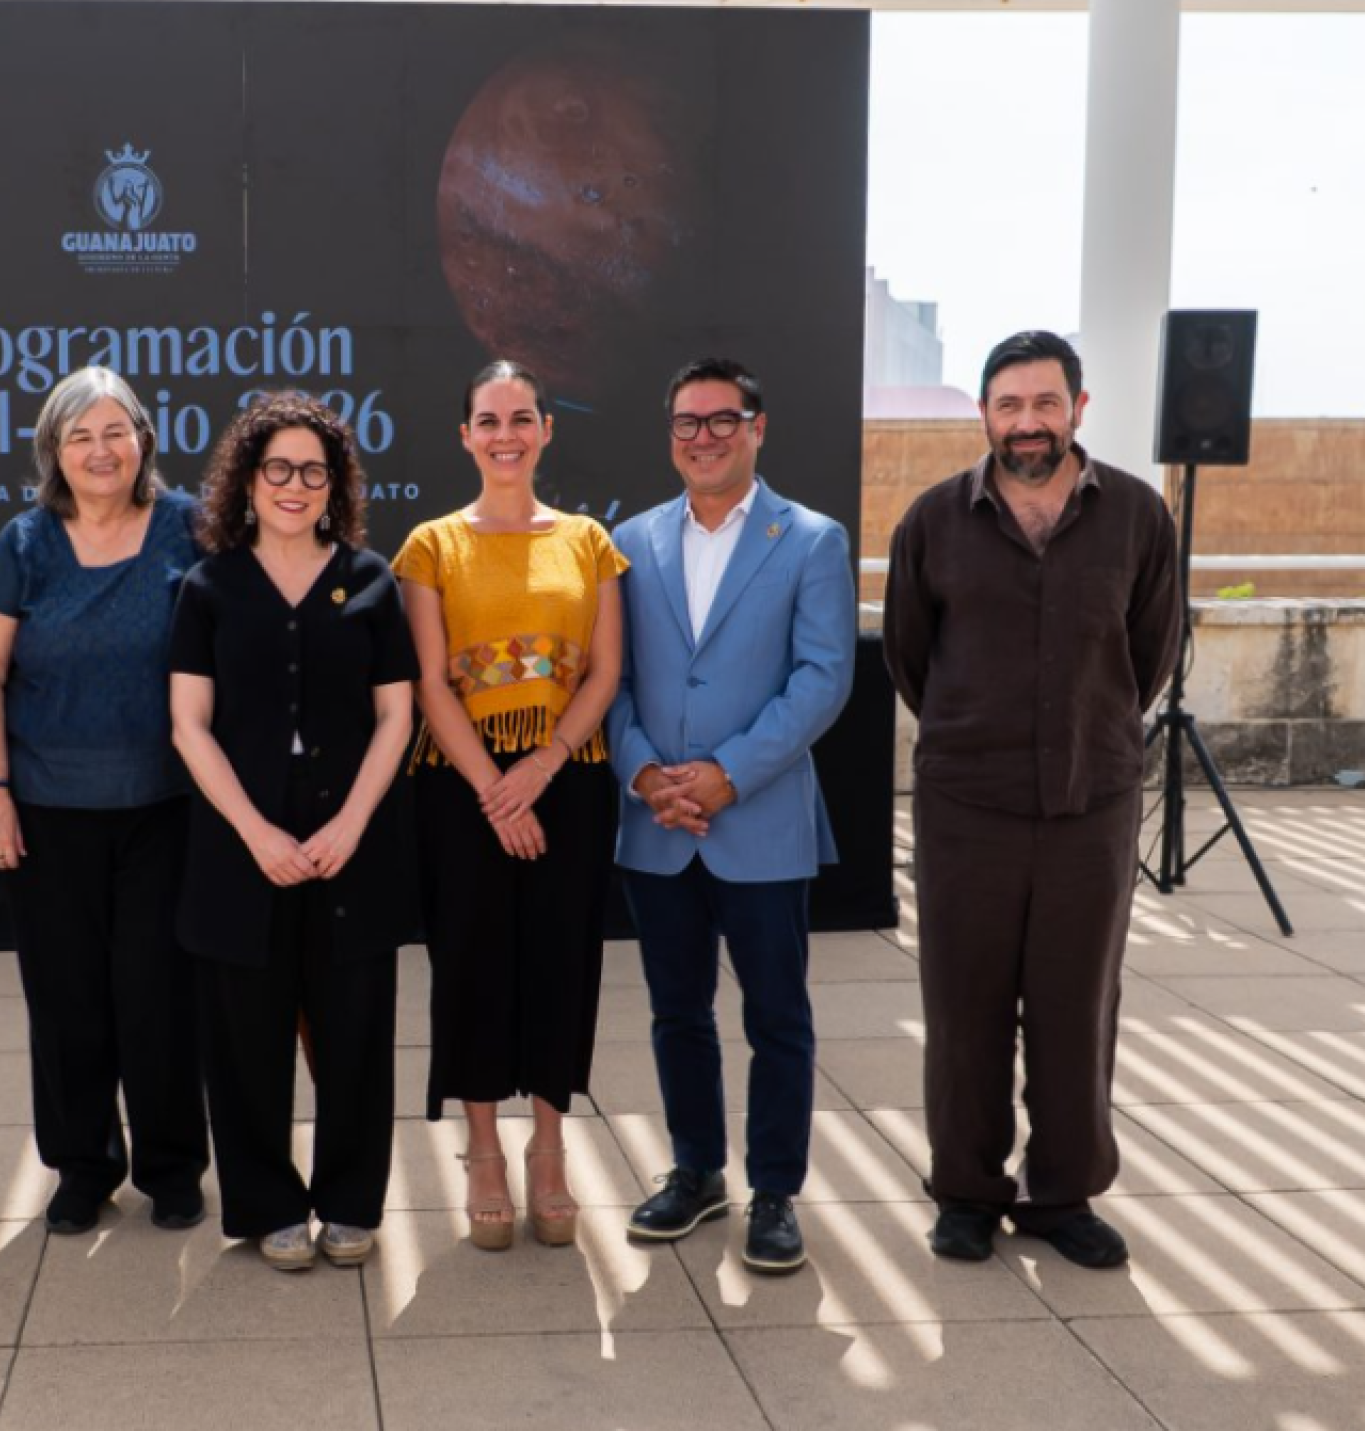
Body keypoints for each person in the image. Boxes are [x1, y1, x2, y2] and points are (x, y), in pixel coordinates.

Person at [883, 329, 1181, 1269]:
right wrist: (981, 737)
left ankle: (1062, 1195)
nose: (1026, 423)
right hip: (968, 804)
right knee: (965, 1006)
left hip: (1091, 803)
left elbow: (1150, 654)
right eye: (1008, 406)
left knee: (1077, 1003)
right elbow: (910, 657)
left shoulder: (1138, 517)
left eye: (1045, 404)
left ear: (1077, 410)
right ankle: (966, 1192)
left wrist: (1087, 735)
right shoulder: (933, 521)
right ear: (984, 415)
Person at [605, 358, 855, 1274]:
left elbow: (823, 679)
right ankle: (697, 1171)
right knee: (678, 1013)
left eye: (721, 419)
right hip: (657, 828)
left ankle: (776, 1193)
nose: (702, 437)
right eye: (685, 422)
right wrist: (642, 777)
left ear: (758, 427)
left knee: (777, 1018)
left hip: (759, 822)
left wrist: (725, 775)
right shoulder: (629, 539)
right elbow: (613, 679)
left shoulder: (811, 539)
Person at [169, 392, 418, 1271]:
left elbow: (397, 717)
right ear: (247, 479)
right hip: (243, 848)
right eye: (278, 467)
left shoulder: (372, 579)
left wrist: (353, 822)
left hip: (351, 844)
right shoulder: (208, 586)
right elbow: (189, 725)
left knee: (355, 1028)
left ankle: (351, 1201)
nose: (295, 485)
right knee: (245, 1037)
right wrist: (256, 834)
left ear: (334, 484)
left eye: (315, 470)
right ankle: (268, 1204)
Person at [0, 365, 210, 1235]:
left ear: (144, 439)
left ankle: (173, 1168)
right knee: (68, 999)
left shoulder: (193, 529)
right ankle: (82, 1166)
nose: (100, 451)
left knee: (160, 996)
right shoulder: (25, 545)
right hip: (47, 810)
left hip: (169, 806)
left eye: (115, 431)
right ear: (52, 453)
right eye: (80, 436)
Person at [396, 360, 628, 1251]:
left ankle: (550, 1152)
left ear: (545, 430)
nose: (505, 434)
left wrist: (544, 764)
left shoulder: (589, 540)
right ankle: (485, 1152)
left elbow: (605, 671)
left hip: (568, 777)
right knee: (473, 962)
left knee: (560, 966)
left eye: (521, 418)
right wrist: (498, 791)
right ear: (465, 435)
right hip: (461, 788)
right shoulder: (430, 546)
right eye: (488, 420)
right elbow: (428, 681)